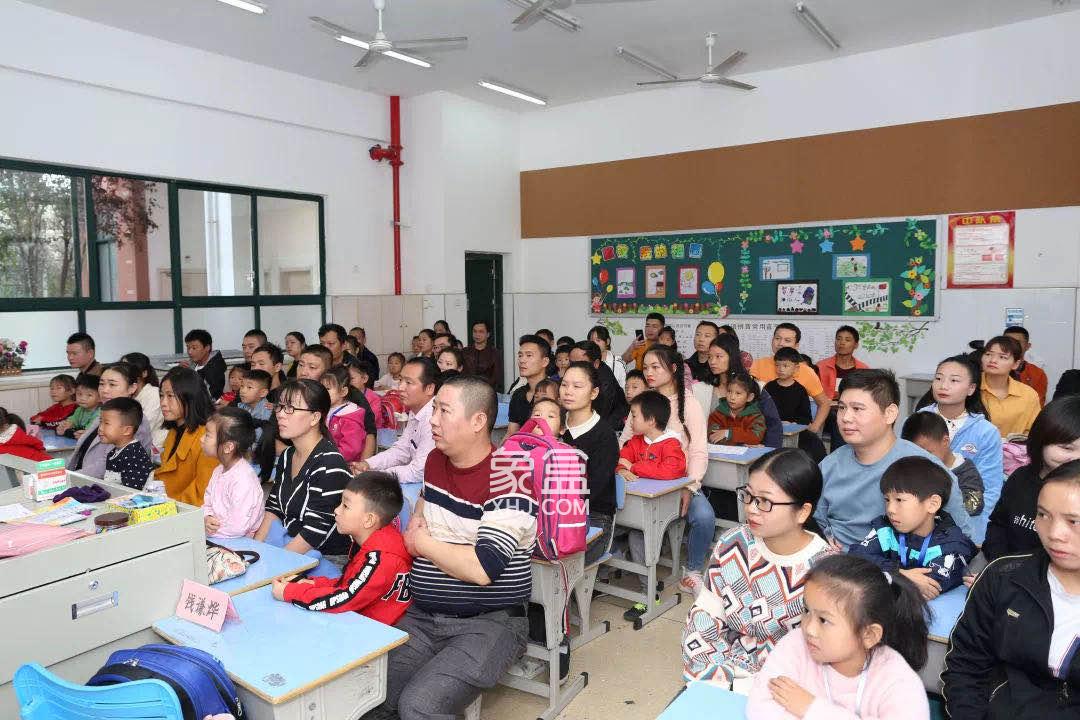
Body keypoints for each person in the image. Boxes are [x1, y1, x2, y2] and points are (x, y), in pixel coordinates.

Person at [374, 375, 537, 720]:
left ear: (478, 421)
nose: (432, 420)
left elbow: (481, 568)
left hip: (490, 623)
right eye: (434, 410)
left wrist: (424, 543)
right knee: (371, 695)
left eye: (444, 411)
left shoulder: (509, 475)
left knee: (419, 706)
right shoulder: (436, 460)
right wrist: (442, 546)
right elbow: (422, 510)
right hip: (423, 616)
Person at [682, 448, 832, 690]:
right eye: (749, 496)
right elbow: (704, 619)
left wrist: (755, 686)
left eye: (765, 501)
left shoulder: (825, 571)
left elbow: (821, 656)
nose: (751, 508)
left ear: (802, 511)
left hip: (787, 683)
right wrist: (723, 676)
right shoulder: (732, 544)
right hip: (724, 668)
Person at [941, 459, 1080, 718]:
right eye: (1043, 515)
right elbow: (966, 669)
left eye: (1073, 521)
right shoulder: (1003, 577)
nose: (1054, 533)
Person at [747, 554, 930, 720]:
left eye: (823, 620)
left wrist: (811, 708)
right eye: (806, 611)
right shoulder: (795, 644)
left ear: (868, 635)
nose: (809, 629)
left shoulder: (898, 684)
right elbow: (760, 707)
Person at [815, 370, 975, 549]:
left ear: (889, 413)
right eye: (842, 408)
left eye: (857, 409)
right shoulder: (830, 465)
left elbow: (962, 537)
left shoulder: (926, 468)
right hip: (834, 564)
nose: (845, 418)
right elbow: (814, 521)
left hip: (898, 569)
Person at [622, 345, 711, 594]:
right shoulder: (643, 403)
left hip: (676, 479)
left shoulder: (689, 405)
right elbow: (626, 440)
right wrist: (620, 467)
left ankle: (692, 570)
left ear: (673, 369)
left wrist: (690, 487)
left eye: (655, 367)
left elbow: (698, 451)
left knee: (704, 517)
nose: (648, 373)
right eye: (645, 367)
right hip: (639, 478)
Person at [273, 471, 412, 624]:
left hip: (375, 635)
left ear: (369, 520)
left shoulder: (380, 557)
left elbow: (346, 598)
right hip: (361, 622)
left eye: (345, 506)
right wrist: (310, 583)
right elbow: (348, 585)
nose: (336, 510)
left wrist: (290, 593)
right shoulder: (373, 542)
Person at [256, 380, 353, 576]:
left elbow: (315, 531)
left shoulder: (329, 463)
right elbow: (273, 509)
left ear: (315, 417)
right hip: (291, 549)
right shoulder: (287, 455)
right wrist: (256, 552)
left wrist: (272, 565)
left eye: (290, 408)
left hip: (326, 561)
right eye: (280, 406)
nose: (281, 414)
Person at [848, 456, 977, 599]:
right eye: (887, 500)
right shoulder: (886, 529)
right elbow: (856, 557)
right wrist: (900, 574)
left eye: (899, 500)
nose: (890, 509)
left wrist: (883, 573)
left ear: (932, 504)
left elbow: (930, 586)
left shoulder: (952, 544)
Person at [915, 354, 1003, 541]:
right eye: (938, 378)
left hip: (966, 524)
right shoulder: (918, 420)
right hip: (920, 518)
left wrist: (976, 533)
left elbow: (990, 488)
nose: (943, 385)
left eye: (954, 380)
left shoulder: (985, 431)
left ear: (971, 389)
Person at [983, 395, 1080, 561]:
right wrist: (999, 568)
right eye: (1066, 448)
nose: (1076, 457)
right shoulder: (1021, 478)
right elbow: (998, 525)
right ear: (1041, 440)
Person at [351, 358, 438, 523]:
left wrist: (376, 475)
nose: (400, 388)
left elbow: (418, 471)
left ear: (429, 388)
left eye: (409, 382)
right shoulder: (416, 411)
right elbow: (402, 450)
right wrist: (368, 464)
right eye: (400, 381)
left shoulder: (433, 418)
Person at [560, 362, 620, 566]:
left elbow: (591, 489)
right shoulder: (552, 423)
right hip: (551, 513)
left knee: (558, 562)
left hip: (593, 518)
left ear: (594, 393)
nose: (568, 392)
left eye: (577, 386)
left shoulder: (604, 435)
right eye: (564, 385)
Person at [695, 334, 784, 449]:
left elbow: (774, 425)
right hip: (710, 453)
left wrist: (768, 451)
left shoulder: (755, 387)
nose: (712, 362)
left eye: (718, 356)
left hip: (751, 454)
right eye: (709, 357)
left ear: (732, 358)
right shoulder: (701, 389)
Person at [67, 363, 155, 479]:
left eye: (112, 385)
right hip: (81, 479)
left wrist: (68, 478)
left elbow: (106, 465)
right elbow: (79, 453)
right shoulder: (104, 412)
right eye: (102, 384)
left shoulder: (136, 421)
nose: (104, 390)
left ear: (132, 388)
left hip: (104, 487)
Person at [750, 323, 830, 435]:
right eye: (777, 338)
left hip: (795, 431)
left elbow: (824, 403)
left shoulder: (806, 372)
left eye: (787, 340)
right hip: (762, 428)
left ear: (796, 345)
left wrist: (815, 427)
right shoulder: (758, 365)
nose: (781, 343)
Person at [902, 412, 985, 517]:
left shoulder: (966, 472)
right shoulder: (913, 468)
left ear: (945, 441)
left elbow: (974, 506)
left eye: (928, 453)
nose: (922, 459)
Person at [156, 366, 218, 505]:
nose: (163, 403)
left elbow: (202, 494)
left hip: (187, 514)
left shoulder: (207, 437)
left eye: (170, 396)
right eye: (161, 395)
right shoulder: (174, 431)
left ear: (190, 397)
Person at [201, 407, 263, 539]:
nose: (201, 439)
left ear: (228, 447)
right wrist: (207, 517)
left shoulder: (243, 479)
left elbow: (237, 528)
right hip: (218, 536)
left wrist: (206, 533)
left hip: (239, 542)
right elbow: (208, 501)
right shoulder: (218, 470)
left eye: (207, 435)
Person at [618, 390, 686, 482]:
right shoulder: (635, 441)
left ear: (651, 420)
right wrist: (622, 470)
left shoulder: (671, 444)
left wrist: (633, 467)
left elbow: (671, 470)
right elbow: (621, 459)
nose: (629, 421)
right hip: (640, 493)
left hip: (664, 495)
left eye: (634, 416)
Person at [981, 334, 1041, 437]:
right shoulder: (968, 387)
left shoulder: (1028, 394)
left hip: (1015, 451)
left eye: (1002, 357)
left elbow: (1035, 431)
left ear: (1016, 364)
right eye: (988, 354)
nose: (993, 360)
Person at [570, 340, 629, 432]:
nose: (574, 368)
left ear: (596, 363)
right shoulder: (579, 375)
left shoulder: (604, 385)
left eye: (580, 364)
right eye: (571, 363)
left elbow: (597, 420)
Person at [100, 397, 155, 491]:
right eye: (100, 422)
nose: (100, 428)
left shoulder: (134, 457)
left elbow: (131, 493)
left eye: (106, 423)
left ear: (127, 430)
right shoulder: (116, 451)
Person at [322, 365, 374, 463]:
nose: (323, 392)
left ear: (343, 391)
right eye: (322, 388)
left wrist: (329, 458)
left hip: (346, 465)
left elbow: (351, 449)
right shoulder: (327, 409)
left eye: (328, 388)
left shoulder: (350, 416)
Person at [505, 334, 552, 436]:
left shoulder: (554, 392)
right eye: (520, 355)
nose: (522, 360)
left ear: (545, 362)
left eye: (529, 355)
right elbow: (511, 433)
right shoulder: (518, 394)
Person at [120, 352, 166, 450]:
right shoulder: (127, 395)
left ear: (144, 373)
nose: (122, 373)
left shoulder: (153, 393)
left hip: (154, 447)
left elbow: (144, 428)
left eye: (127, 369)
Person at [708, 371, 768, 446]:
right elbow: (713, 436)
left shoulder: (756, 416)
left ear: (749, 397)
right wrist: (742, 443)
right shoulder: (718, 413)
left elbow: (756, 437)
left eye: (738, 393)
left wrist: (729, 433)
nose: (732, 397)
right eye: (729, 391)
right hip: (721, 457)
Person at [816, 325, 869, 402]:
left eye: (847, 340)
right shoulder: (821, 366)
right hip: (826, 409)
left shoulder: (864, 369)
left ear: (856, 345)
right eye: (838, 339)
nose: (842, 343)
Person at [765, 347, 812, 425]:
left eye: (785, 366)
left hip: (793, 430)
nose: (780, 369)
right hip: (772, 427)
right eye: (777, 365)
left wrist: (792, 423)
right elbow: (762, 411)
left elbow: (806, 418)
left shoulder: (801, 390)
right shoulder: (769, 387)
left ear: (796, 368)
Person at [1004, 325, 1049, 405]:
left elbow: (1037, 405)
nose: (1012, 345)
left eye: (1017, 342)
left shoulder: (1038, 374)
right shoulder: (991, 368)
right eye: (1008, 341)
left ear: (1028, 346)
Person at [184, 328, 226, 401]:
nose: (190, 352)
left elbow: (209, 397)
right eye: (188, 348)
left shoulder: (214, 370)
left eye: (194, 348)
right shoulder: (190, 364)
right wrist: (179, 372)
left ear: (207, 348)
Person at [462, 320, 502, 391]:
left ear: (488, 334)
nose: (477, 334)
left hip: (487, 391)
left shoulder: (494, 353)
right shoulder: (465, 352)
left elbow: (496, 377)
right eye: (475, 331)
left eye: (481, 332)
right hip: (467, 390)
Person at [57, 374, 100, 439]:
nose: (82, 398)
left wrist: (70, 432)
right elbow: (72, 421)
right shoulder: (79, 410)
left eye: (89, 395)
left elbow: (89, 433)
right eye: (79, 394)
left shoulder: (100, 413)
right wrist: (64, 426)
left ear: (100, 398)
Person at [347, 359, 388, 429]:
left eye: (351, 378)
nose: (348, 382)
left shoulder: (374, 398)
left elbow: (371, 420)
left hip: (372, 433)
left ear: (365, 379)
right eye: (346, 379)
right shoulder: (347, 396)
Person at [237, 369, 273, 444]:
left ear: (263, 393)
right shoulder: (242, 406)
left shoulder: (267, 409)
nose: (242, 391)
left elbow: (260, 436)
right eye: (242, 386)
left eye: (249, 387)